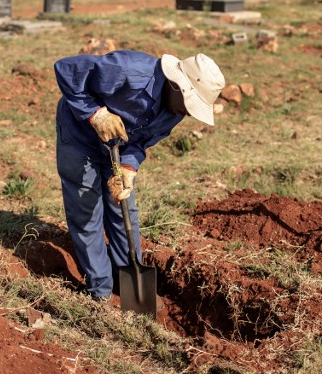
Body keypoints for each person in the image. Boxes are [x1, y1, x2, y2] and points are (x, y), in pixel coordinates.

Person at [54, 50, 225, 300]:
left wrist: (128, 168)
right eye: (190, 105)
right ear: (177, 87)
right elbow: (65, 68)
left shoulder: (173, 112)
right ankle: (100, 290)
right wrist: (96, 114)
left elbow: (141, 141)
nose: (188, 114)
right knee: (87, 212)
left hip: (118, 148)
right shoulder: (126, 69)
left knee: (124, 210)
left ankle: (127, 284)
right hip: (80, 138)